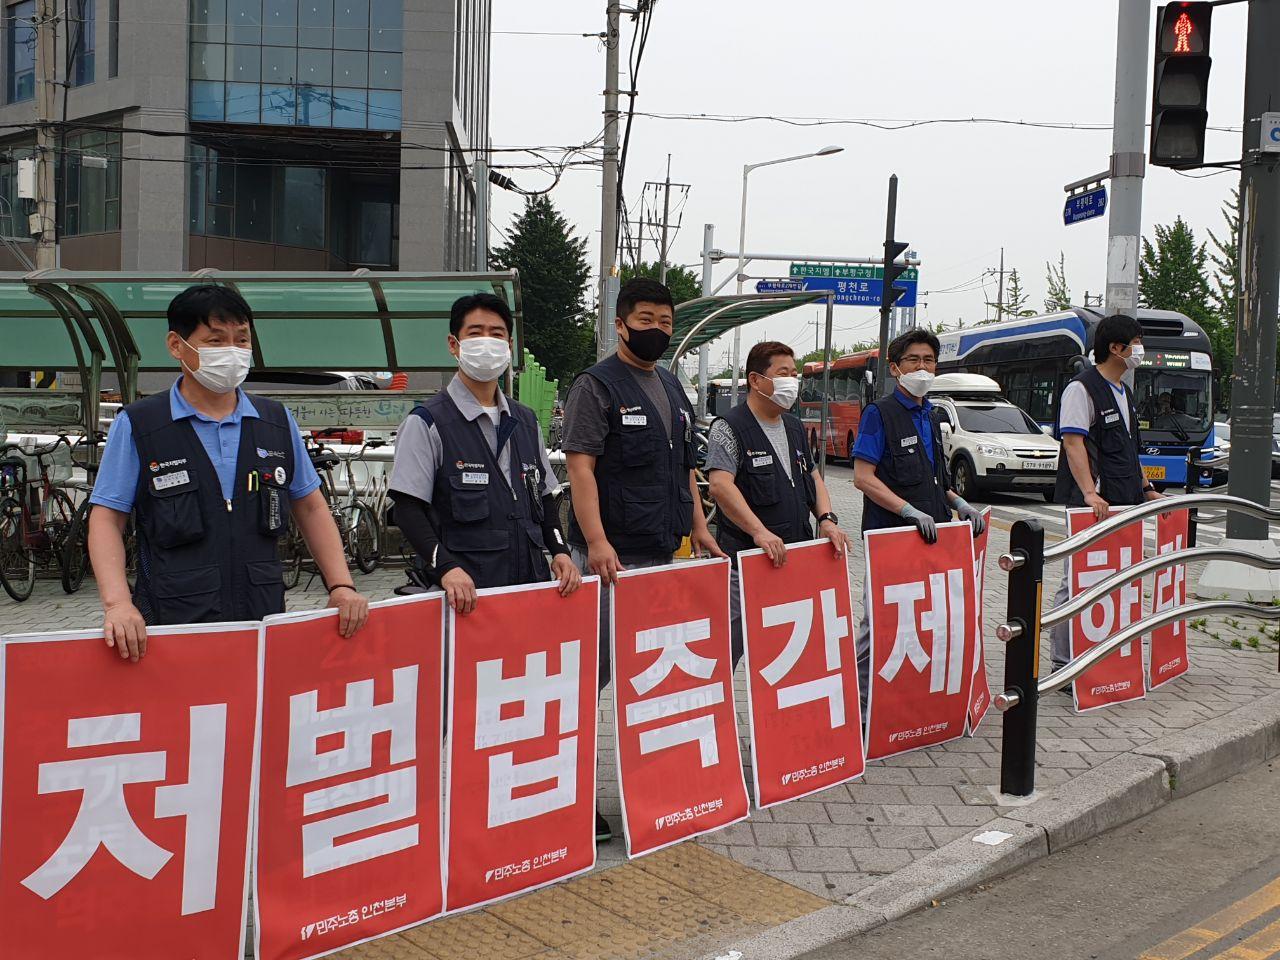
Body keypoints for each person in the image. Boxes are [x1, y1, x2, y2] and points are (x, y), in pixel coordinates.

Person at [87, 286, 370, 662]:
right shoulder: (141, 424)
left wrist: (340, 585)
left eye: (241, 340)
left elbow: (311, 507)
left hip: (261, 615)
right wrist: (118, 604)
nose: (232, 352)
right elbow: (107, 517)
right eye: (215, 340)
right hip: (174, 622)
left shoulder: (275, 422)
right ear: (176, 345)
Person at [562, 276, 723, 842]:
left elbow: (684, 465)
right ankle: (569, 800)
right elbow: (580, 466)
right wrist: (598, 541)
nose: (658, 331)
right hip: (611, 560)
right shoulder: (596, 386)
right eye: (647, 320)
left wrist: (699, 525)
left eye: (666, 322)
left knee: (650, 676)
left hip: (660, 555)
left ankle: (653, 789)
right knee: (590, 680)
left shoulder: (673, 387)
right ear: (621, 323)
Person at [387, 293, 580, 613]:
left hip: (527, 589)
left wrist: (559, 551)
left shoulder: (526, 420)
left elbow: (545, 498)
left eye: (497, 333)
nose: (487, 342)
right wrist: (446, 568)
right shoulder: (427, 423)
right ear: (454, 344)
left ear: (509, 345)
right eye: (475, 333)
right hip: (464, 598)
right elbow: (408, 509)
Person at [851, 328, 986, 705]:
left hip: (933, 537)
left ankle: (909, 696)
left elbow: (934, 478)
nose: (922, 367)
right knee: (880, 620)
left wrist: (960, 504)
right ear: (895, 368)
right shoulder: (880, 414)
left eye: (929, 360)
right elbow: (863, 478)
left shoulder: (932, 414)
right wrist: (907, 510)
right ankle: (858, 699)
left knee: (923, 618)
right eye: (913, 360)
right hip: (891, 537)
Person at [705, 340, 850, 663]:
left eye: (794, 373)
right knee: (728, 647)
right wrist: (759, 532)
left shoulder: (794, 427)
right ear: (756, 380)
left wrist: (826, 518)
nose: (792, 381)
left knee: (788, 651)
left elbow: (812, 478)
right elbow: (720, 485)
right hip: (746, 562)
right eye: (783, 373)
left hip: (794, 559)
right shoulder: (729, 427)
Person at [1049, 313, 1164, 671]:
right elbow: (1073, 442)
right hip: (1095, 503)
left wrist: (1146, 489)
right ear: (1115, 348)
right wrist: (1088, 492)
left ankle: (1103, 653)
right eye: (1136, 343)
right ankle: (1064, 662)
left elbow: (1128, 449)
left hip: (1124, 501)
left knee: (1117, 579)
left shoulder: (1125, 392)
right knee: (1080, 579)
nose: (1140, 350)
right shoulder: (1081, 389)